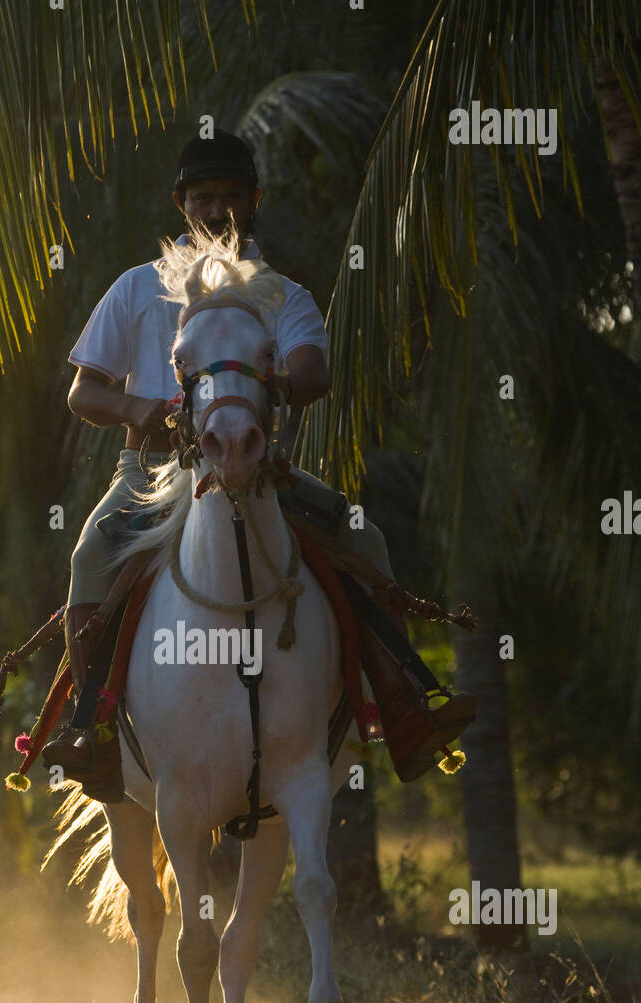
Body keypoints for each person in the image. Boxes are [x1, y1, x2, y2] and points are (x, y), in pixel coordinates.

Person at [55, 129, 474, 796]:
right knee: (88, 555)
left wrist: (270, 389)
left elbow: (312, 370)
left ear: (253, 200)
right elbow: (85, 390)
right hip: (152, 472)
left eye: (229, 196)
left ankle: (399, 708)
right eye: (202, 197)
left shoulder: (282, 294)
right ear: (180, 202)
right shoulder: (136, 289)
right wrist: (139, 411)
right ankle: (90, 725)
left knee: (364, 536)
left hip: (258, 474)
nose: (216, 208)